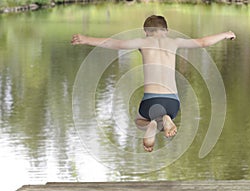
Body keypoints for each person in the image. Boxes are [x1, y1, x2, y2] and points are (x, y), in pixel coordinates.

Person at [71, 15, 236, 152]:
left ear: (146, 32)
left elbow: (115, 44)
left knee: (139, 121)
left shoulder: (143, 43)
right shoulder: (175, 42)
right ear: (167, 30)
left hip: (150, 100)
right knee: (162, 118)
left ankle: (152, 125)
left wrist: (86, 39)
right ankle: (165, 118)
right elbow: (202, 42)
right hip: (172, 101)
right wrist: (225, 34)